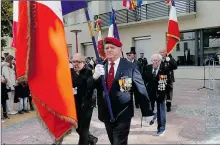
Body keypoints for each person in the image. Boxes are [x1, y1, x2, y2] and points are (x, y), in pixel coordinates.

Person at [93, 37, 152, 145]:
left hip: (123, 114)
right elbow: (93, 87)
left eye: (112, 47)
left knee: (119, 142)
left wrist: (147, 112)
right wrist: (94, 77)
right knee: (113, 140)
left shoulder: (130, 67)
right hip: (106, 113)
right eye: (107, 48)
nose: (109, 50)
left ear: (120, 49)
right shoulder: (101, 67)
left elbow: (141, 90)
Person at [70, 53, 98, 145]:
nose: (75, 64)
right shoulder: (70, 72)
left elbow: (90, 90)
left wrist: (87, 104)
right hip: (75, 104)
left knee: (84, 129)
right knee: (77, 127)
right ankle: (92, 139)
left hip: (87, 104)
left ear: (84, 62)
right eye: (73, 62)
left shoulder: (89, 72)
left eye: (77, 62)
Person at [144, 54, 169, 136]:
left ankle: (161, 128)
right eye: (153, 60)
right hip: (150, 92)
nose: (155, 62)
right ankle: (152, 118)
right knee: (149, 108)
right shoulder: (148, 67)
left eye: (157, 60)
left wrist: (161, 96)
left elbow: (162, 85)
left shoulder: (164, 69)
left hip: (160, 92)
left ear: (160, 61)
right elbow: (144, 80)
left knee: (161, 110)